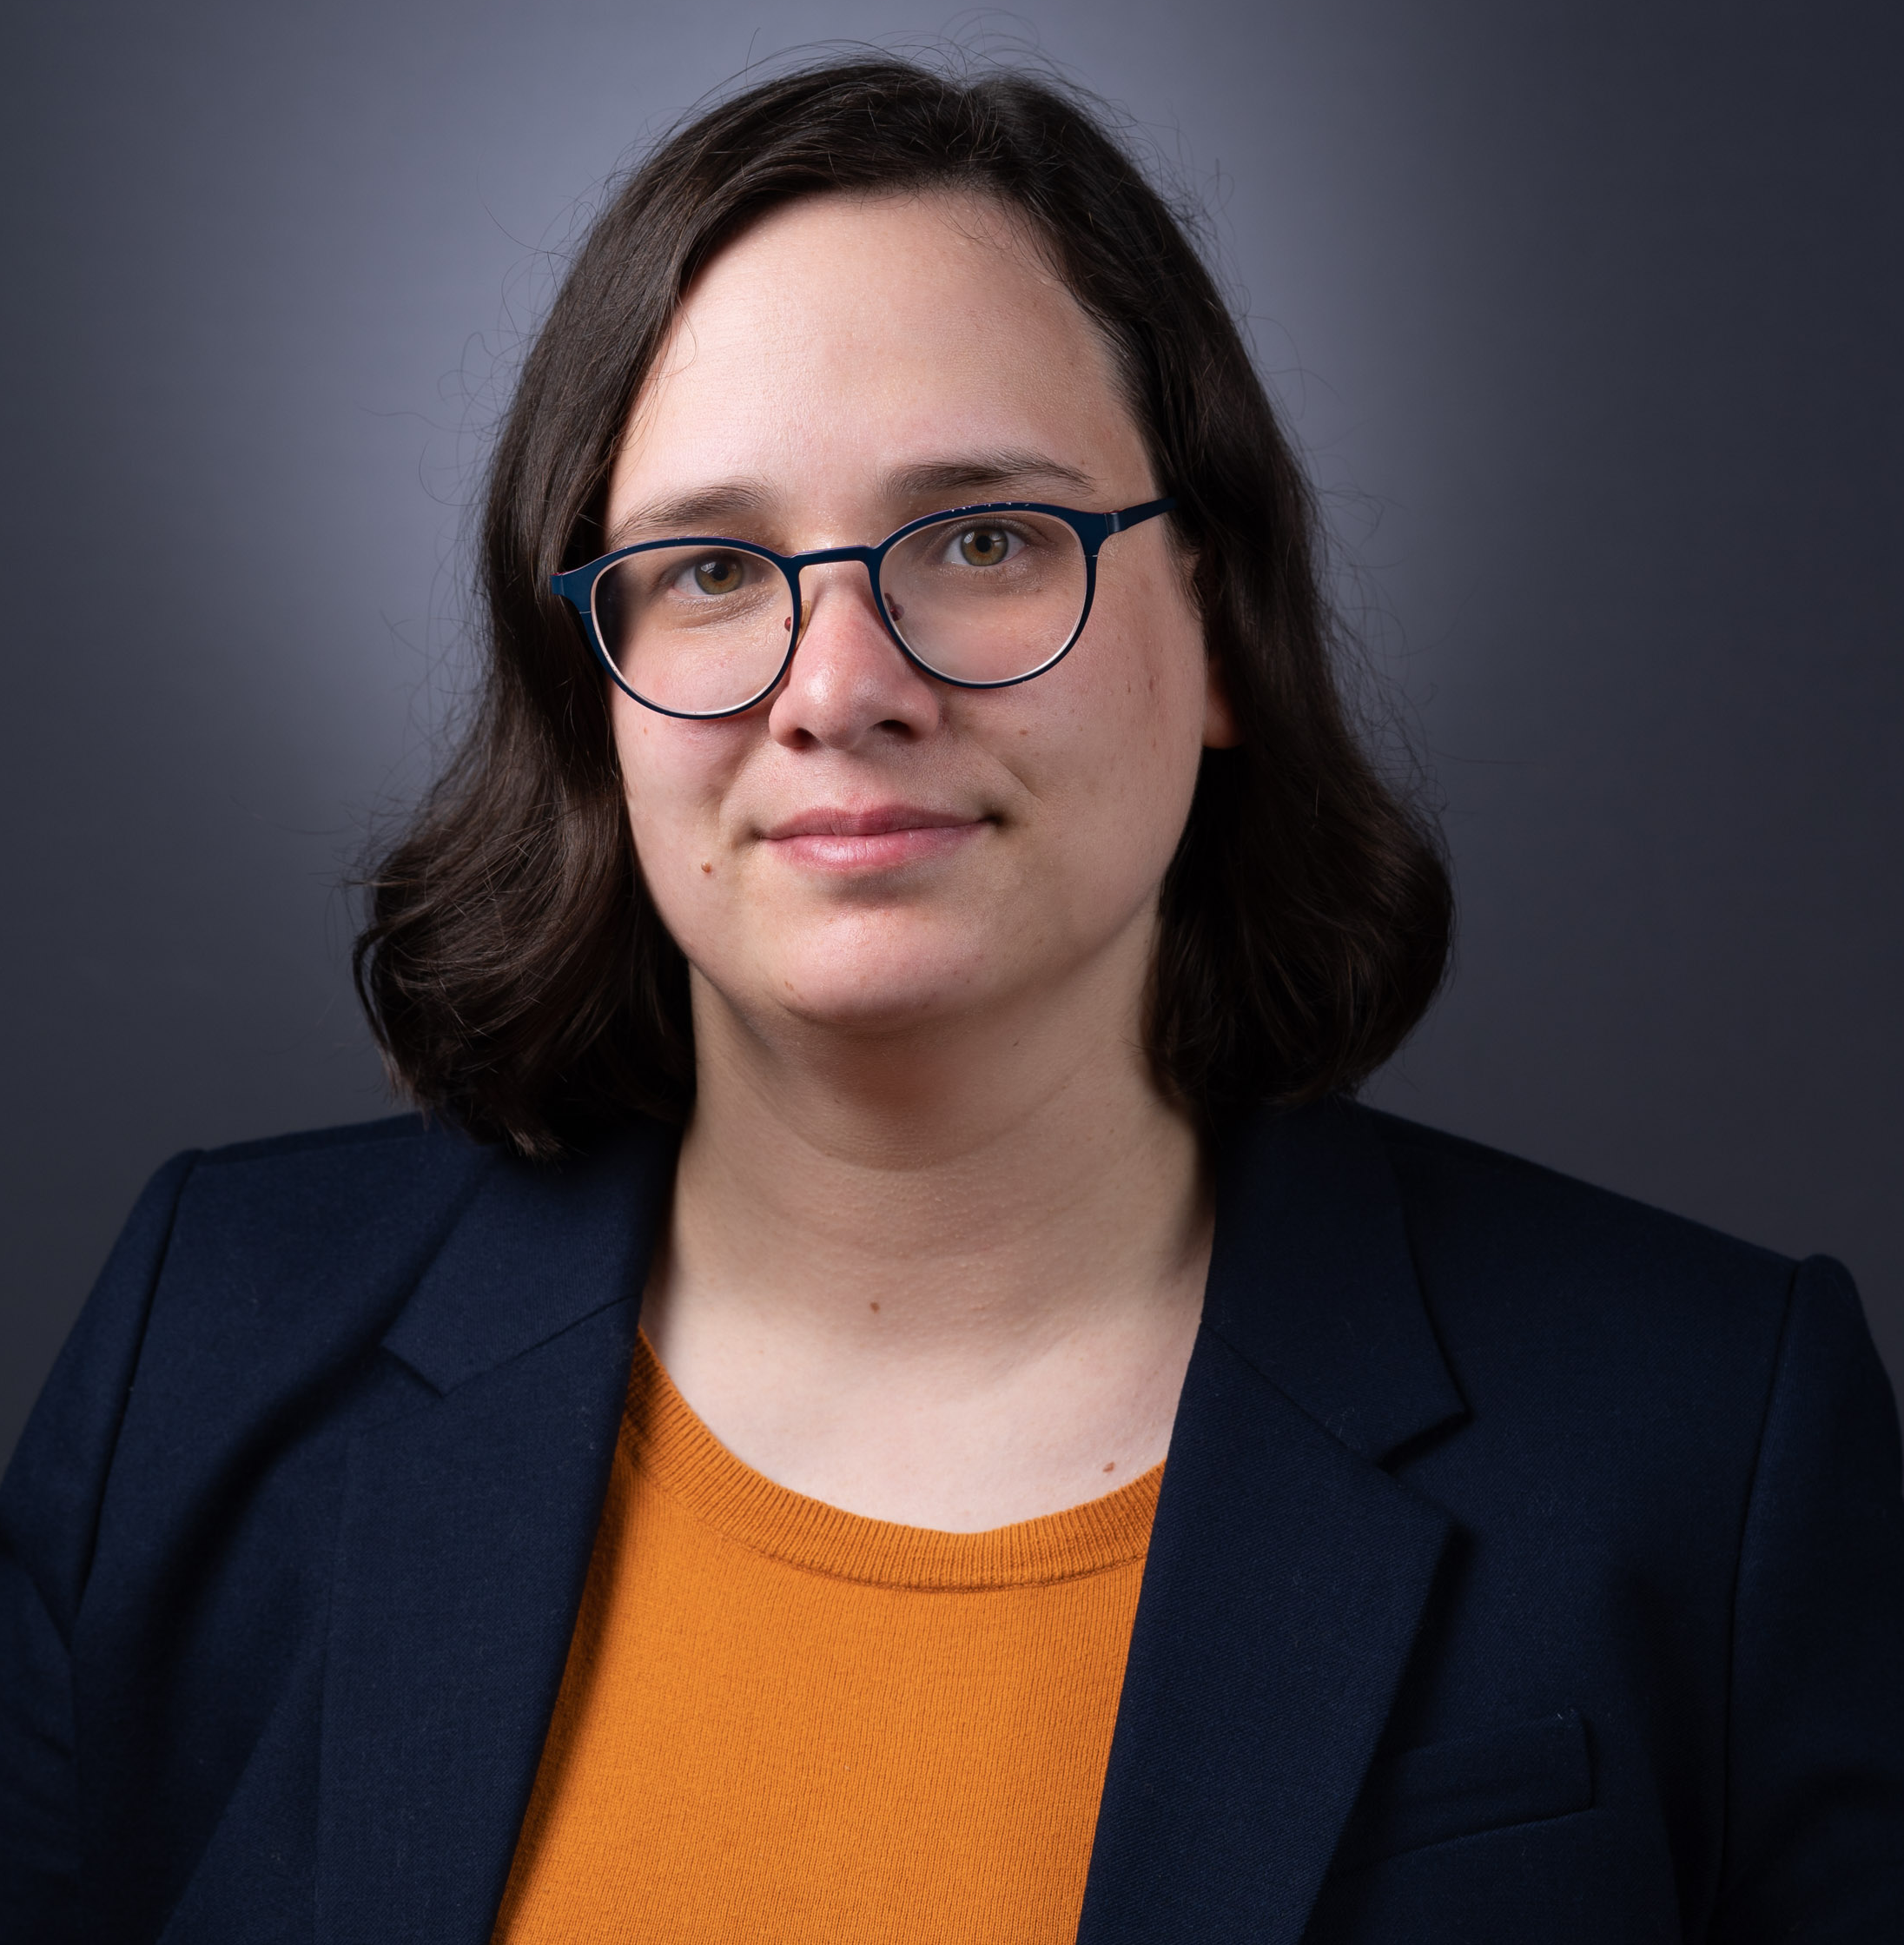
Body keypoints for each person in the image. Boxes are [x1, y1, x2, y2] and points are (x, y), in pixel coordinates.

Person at [3, 56, 1900, 1945]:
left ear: (1221, 628)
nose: (839, 685)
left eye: (984, 538)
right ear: (595, 678)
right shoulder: (205, 1345)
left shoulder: (1704, 1441)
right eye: (712, 568)